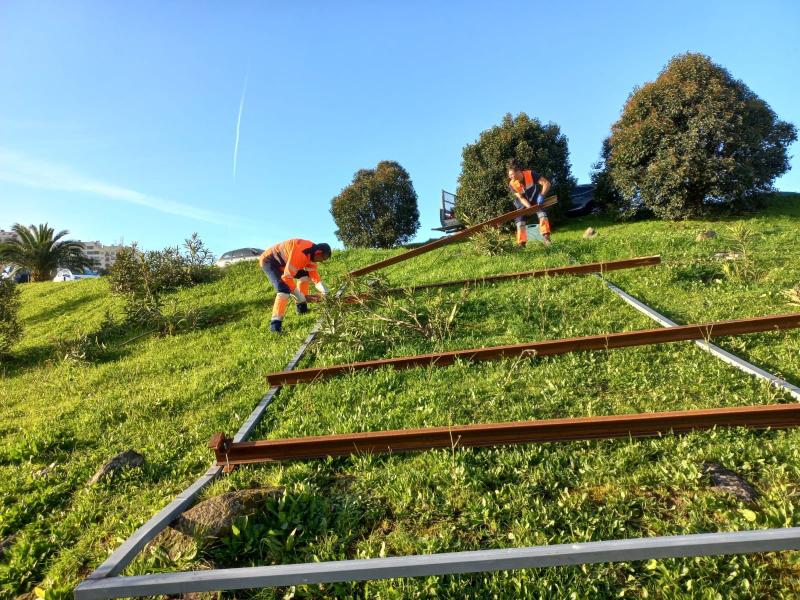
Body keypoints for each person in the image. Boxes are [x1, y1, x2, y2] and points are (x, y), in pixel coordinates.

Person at [259, 238, 331, 333]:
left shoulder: (312, 254)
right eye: (323, 258)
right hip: (270, 261)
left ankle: (302, 309)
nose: (322, 261)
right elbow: (287, 278)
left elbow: (314, 276)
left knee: (305, 275)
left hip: (285, 263)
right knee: (283, 290)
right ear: (318, 253)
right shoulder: (301, 254)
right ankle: (275, 326)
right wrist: (300, 296)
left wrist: (325, 291)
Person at [507, 159, 552, 247]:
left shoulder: (530, 174)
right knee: (519, 219)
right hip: (522, 202)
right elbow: (520, 197)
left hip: (536, 198)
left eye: (511, 174)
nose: (510, 177)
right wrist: (528, 207)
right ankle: (521, 244)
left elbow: (546, 183)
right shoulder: (512, 184)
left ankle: (546, 238)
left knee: (542, 213)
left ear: (518, 171)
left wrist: (542, 195)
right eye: (509, 175)